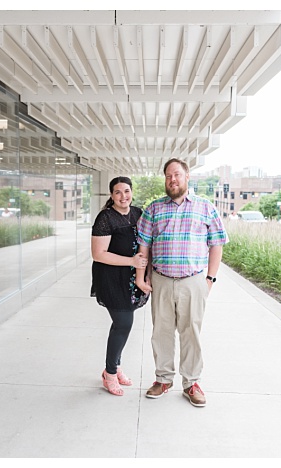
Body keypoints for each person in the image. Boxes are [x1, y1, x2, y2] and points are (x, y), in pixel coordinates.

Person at [135, 158, 227, 407]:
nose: (172, 180)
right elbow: (144, 245)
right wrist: (140, 277)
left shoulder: (205, 207)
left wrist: (210, 278)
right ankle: (163, 379)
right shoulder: (153, 208)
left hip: (193, 281)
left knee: (191, 333)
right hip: (161, 280)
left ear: (187, 176)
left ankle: (191, 382)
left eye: (176, 175)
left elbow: (217, 243)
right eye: (168, 176)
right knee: (161, 333)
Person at [91, 176, 149, 396]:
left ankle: (115, 366)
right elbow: (98, 254)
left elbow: (145, 243)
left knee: (122, 326)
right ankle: (110, 373)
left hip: (131, 278)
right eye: (117, 192)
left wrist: (144, 274)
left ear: (131, 192)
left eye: (126, 191)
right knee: (123, 323)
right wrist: (131, 262)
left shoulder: (137, 213)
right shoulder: (105, 218)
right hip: (111, 278)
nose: (123, 196)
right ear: (111, 195)